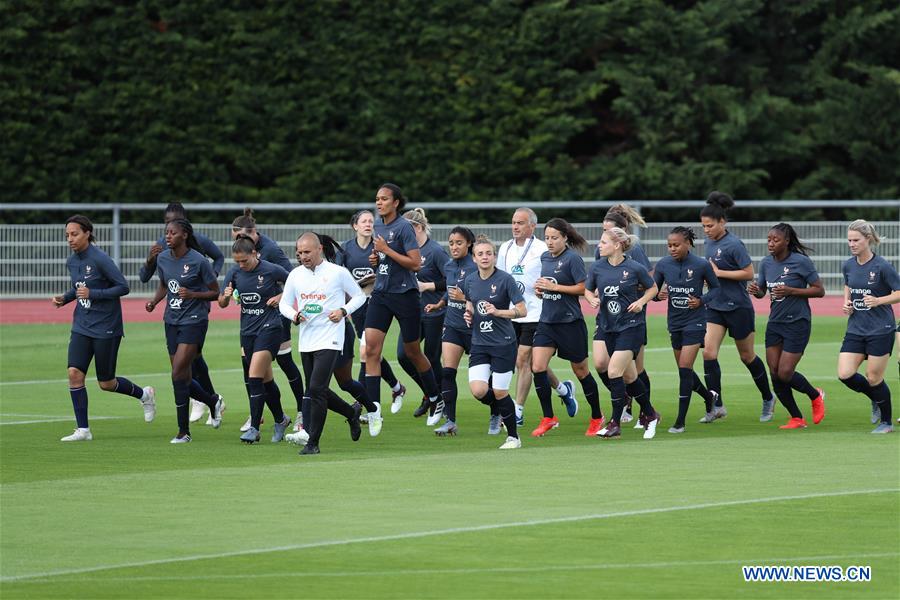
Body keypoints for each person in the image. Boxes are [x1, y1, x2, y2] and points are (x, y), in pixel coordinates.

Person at [52, 215, 156, 441]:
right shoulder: (72, 262)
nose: (70, 239)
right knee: (74, 374)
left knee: (106, 383)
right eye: (67, 235)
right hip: (81, 324)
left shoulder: (101, 259)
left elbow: (123, 287)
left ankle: (145, 395)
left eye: (74, 234)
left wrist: (94, 294)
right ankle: (83, 430)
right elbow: (79, 288)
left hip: (106, 327)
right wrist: (65, 298)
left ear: (87, 233)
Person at [362, 184, 443, 427]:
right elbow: (384, 262)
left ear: (396, 202)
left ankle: (436, 397)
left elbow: (416, 264)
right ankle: (374, 410)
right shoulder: (377, 227)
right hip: (381, 294)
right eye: (377, 198)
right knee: (370, 350)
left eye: (384, 199)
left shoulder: (404, 228)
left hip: (405, 295)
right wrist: (376, 260)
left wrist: (386, 250)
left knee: (412, 352)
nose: (379, 203)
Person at [279, 233, 368, 454]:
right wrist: (294, 315)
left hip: (331, 337)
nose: (302, 256)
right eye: (299, 253)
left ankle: (313, 443)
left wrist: (343, 311)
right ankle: (351, 413)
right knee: (316, 389)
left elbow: (359, 296)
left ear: (319, 249)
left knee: (316, 389)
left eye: (307, 252)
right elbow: (284, 304)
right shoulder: (296, 275)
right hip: (307, 339)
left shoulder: (337, 273)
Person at [137, 202, 224, 426]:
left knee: (179, 371)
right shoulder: (162, 250)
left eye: (172, 226)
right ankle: (211, 400)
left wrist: (200, 289)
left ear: (185, 228)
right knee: (188, 368)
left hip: (196, 313)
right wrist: (154, 301)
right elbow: (154, 280)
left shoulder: (198, 252)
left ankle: (184, 428)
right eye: (165, 225)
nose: (167, 232)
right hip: (172, 316)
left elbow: (218, 266)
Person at [497, 208, 577, 428]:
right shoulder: (505, 248)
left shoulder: (542, 248)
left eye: (520, 223)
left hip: (537, 312)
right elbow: (502, 277)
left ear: (532, 226)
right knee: (532, 364)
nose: (515, 227)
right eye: (513, 222)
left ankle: (518, 410)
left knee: (522, 360)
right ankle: (563, 389)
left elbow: (555, 276)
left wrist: (547, 288)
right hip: (513, 312)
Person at [700, 192, 775, 421]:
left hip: (738, 307)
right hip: (715, 305)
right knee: (708, 353)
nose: (706, 230)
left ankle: (767, 397)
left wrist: (719, 273)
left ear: (722, 222)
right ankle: (716, 405)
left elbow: (749, 273)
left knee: (747, 356)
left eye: (710, 226)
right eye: (703, 226)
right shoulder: (707, 242)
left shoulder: (734, 244)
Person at [231, 208, 306, 432]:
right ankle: (260, 413)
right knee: (254, 369)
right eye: (235, 239)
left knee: (284, 361)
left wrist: (280, 297)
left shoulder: (270, 251)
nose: (238, 242)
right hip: (253, 321)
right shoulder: (242, 258)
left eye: (241, 237)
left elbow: (293, 278)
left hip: (276, 317)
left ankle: (302, 411)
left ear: (253, 235)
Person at [747, 223, 826, 430]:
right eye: (769, 240)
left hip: (797, 323)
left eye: (776, 240)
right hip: (775, 323)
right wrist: (755, 290)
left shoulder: (801, 262)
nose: (771, 244)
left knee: (785, 372)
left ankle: (815, 395)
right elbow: (763, 292)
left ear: (787, 241)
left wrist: (791, 290)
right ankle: (797, 418)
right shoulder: (766, 263)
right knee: (774, 372)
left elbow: (819, 291)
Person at [530, 218, 603, 437]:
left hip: (570, 323)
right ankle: (549, 417)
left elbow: (583, 288)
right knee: (537, 367)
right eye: (547, 238)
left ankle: (597, 417)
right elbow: (547, 285)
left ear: (564, 238)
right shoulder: (544, 257)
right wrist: (540, 291)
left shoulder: (573, 259)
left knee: (581, 371)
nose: (550, 242)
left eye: (554, 238)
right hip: (547, 322)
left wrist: (555, 287)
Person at [586, 227, 659, 439]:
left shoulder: (634, 268)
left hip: (631, 326)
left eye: (603, 242)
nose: (599, 245)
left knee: (613, 371)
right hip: (608, 327)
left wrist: (640, 302)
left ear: (617, 245)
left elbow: (652, 288)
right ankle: (651, 414)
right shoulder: (598, 267)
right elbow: (588, 289)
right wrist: (591, 299)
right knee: (629, 377)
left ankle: (615, 423)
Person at [218, 236, 291, 443]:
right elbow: (222, 302)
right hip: (247, 332)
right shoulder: (234, 273)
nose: (241, 265)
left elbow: (295, 285)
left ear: (254, 254)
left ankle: (253, 429)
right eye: (238, 262)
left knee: (254, 377)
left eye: (245, 261)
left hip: (270, 328)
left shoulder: (270, 269)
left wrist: (281, 297)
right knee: (266, 381)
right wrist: (225, 296)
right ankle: (281, 419)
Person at [651, 227, 720, 433]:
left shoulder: (701, 265)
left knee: (684, 368)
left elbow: (716, 289)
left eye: (676, 245)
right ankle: (709, 397)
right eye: (669, 245)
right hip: (674, 322)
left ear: (688, 243)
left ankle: (680, 422)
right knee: (685, 371)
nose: (672, 249)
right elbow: (654, 289)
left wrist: (701, 301)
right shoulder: (663, 265)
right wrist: (657, 296)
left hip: (695, 322)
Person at [462, 236, 527, 449]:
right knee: (478, 390)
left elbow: (522, 310)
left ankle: (514, 438)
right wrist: (468, 313)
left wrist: (498, 312)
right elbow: (470, 302)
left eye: (488, 253)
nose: (485, 257)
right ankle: (502, 408)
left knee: (500, 391)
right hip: (479, 343)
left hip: (504, 343)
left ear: (495, 256)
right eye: (480, 254)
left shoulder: (505, 280)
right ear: (474, 258)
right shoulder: (470, 280)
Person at [836, 220, 900, 434]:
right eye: (849, 240)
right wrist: (846, 302)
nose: (852, 244)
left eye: (856, 240)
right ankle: (875, 397)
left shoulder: (882, 266)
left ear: (868, 240)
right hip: (856, 327)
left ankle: (887, 422)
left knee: (874, 377)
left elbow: (899, 292)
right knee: (845, 374)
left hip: (880, 328)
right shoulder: (848, 264)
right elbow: (848, 284)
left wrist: (878, 301)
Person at [340, 210, 406, 416]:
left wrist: (374, 281)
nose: (369, 224)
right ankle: (396, 387)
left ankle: (367, 405)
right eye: (364, 221)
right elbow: (339, 279)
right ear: (355, 226)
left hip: (378, 305)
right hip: (357, 308)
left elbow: (390, 272)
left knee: (365, 352)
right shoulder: (346, 250)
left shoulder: (379, 247)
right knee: (370, 352)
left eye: (371, 221)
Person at [593, 204, 652, 424]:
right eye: (603, 229)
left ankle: (644, 412)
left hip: (630, 317)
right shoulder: (603, 247)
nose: (603, 235)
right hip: (607, 317)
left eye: (608, 229)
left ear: (620, 235)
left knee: (635, 369)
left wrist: (631, 294)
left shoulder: (631, 250)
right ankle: (624, 399)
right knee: (602, 363)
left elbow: (647, 278)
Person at [425, 227, 476, 436]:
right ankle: (451, 421)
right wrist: (440, 304)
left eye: (459, 243)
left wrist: (465, 298)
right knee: (447, 372)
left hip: (475, 327)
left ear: (469, 244)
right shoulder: (448, 265)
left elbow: (484, 295)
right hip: (453, 325)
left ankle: (497, 412)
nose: (454, 247)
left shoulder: (475, 266)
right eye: (452, 243)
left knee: (483, 382)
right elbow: (450, 291)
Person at [399, 208, 449, 422]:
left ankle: (440, 402)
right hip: (412, 312)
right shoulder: (405, 250)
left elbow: (452, 279)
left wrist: (427, 286)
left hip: (435, 312)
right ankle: (432, 394)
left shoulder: (435, 251)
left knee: (431, 358)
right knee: (404, 355)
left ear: (418, 228)